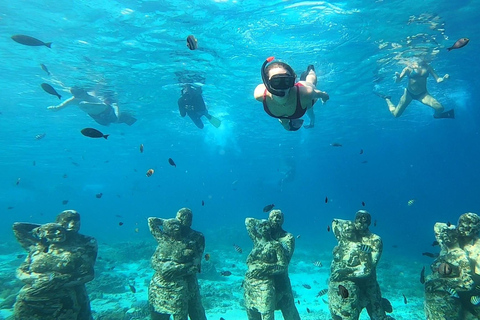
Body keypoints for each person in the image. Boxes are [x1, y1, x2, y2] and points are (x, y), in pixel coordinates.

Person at [12, 210, 97, 320]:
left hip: (71, 288)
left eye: (76, 221)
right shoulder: (43, 244)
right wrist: (50, 228)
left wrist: (56, 281)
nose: (72, 224)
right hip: (36, 293)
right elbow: (18, 227)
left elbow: (88, 269)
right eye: (67, 221)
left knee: (81, 313)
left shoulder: (86, 241)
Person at [328, 211, 394, 320]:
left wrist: (345, 273)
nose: (361, 222)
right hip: (350, 285)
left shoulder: (375, 240)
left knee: (378, 316)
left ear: (369, 222)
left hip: (368, 284)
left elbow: (369, 268)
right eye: (358, 219)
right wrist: (351, 222)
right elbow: (335, 221)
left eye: (364, 220)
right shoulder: (348, 234)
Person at [148, 209, 207, 320]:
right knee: (158, 313)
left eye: (189, 217)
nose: (186, 220)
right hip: (162, 284)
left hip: (187, 282)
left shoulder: (196, 237)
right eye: (182, 217)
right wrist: (169, 222)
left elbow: (196, 264)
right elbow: (151, 221)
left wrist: (177, 269)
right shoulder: (165, 238)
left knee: (195, 311)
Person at [254, 57, 329, 131]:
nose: (282, 87)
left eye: (287, 81)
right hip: (298, 100)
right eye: (276, 82)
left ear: (292, 81)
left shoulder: (305, 94)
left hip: (302, 95)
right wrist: (285, 125)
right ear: (267, 83)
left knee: (311, 83)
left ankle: (311, 69)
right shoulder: (260, 94)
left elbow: (323, 95)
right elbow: (283, 118)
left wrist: (324, 98)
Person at [424, 222, 476, 319]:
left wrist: (445, 284)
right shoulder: (444, 252)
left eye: (448, 233)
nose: (443, 237)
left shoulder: (459, 255)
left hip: (452, 296)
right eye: (440, 234)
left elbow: (467, 283)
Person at [377, 59, 454, 119]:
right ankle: (387, 99)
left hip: (423, 94)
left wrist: (443, 79)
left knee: (440, 108)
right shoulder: (408, 68)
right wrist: (397, 77)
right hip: (408, 94)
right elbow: (398, 81)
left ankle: (437, 116)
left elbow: (437, 79)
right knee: (396, 114)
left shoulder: (428, 67)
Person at [244, 219, 288, 320]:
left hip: (265, 285)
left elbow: (283, 265)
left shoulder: (275, 245)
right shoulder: (256, 242)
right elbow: (248, 221)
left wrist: (264, 269)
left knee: (266, 314)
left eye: (266, 225)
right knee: (251, 315)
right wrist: (262, 221)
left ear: (270, 228)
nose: (264, 228)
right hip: (249, 285)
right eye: (261, 226)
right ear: (257, 228)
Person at [47, 87, 137, 126]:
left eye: (80, 94)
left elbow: (106, 106)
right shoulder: (73, 100)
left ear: (84, 91)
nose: (78, 96)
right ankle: (126, 118)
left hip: (106, 111)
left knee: (114, 120)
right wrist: (55, 108)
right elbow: (60, 107)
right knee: (106, 124)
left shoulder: (91, 96)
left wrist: (117, 111)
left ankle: (128, 117)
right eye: (76, 95)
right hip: (96, 117)